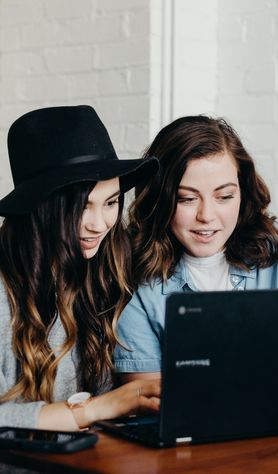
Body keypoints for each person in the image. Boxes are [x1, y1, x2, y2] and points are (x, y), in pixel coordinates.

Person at [0, 105, 160, 431]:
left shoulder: (102, 274)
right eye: (81, 207)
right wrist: (98, 408)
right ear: (40, 207)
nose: (99, 224)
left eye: (111, 202)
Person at [114, 115, 278, 382]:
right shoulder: (136, 284)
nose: (207, 215)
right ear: (160, 200)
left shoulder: (274, 260)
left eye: (224, 196)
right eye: (187, 199)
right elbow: (145, 399)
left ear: (243, 193)